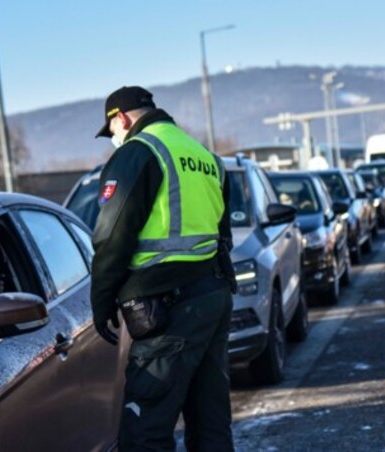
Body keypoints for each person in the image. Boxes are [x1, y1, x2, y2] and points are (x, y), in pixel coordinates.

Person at [89, 86, 236, 451]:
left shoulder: (138, 152)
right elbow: (223, 236)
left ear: (120, 119)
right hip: (212, 297)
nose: (114, 141)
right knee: (211, 424)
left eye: (112, 133)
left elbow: (111, 235)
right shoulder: (204, 156)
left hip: (167, 309)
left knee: (145, 431)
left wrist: (102, 301)